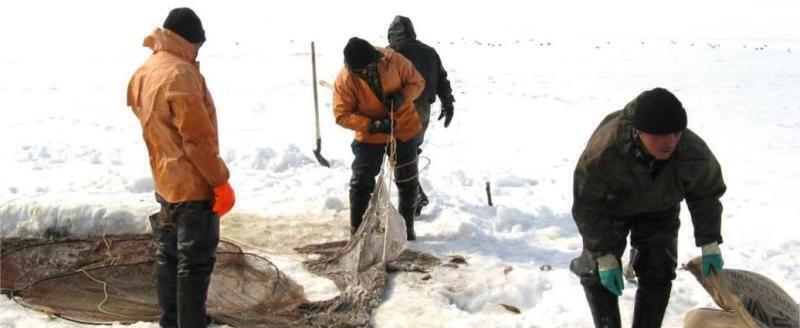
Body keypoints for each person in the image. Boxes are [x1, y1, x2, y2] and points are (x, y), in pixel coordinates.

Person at [569, 88, 727, 328]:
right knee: (597, 273)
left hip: (660, 209)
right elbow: (587, 204)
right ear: (638, 131)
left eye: (675, 134)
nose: (670, 142)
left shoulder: (692, 151)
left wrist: (710, 241)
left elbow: (706, 193)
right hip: (611, 207)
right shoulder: (606, 150)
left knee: (658, 271)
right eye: (660, 136)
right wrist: (603, 254)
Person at [126, 7, 235, 328]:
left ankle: (172, 321)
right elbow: (197, 139)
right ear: (190, 41)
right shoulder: (181, 74)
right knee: (194, 263)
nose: (198, 52)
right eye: (198, 46)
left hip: (165, 182)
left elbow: (150, 122)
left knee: (169, 256)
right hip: (193, 184)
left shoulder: (145, 70)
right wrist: (220, 182)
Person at [332, 37, 425, 240]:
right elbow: (341, 114)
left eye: (368, 68)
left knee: (407, 179)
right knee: (361, 180)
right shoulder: (345, 79)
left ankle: (406, 229)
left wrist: (402, 96)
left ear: (374, 58)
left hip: (404, 128)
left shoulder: (394, 60)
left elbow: (418, 82)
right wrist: (370, 125)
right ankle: (356, 231)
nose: (364, 72)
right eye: (360, 71)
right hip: (369, 135)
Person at [387, 15, 455, 216]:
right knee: (409, 151)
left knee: (398, 155)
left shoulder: (391, 53)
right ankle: (414, 194)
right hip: (424, 107)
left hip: (401, 107)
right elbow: (442, 79)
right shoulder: (429, 52)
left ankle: (414, 196)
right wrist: (448, 102)